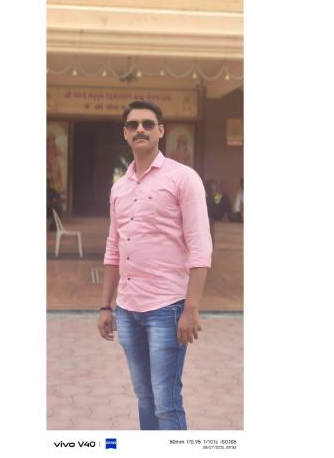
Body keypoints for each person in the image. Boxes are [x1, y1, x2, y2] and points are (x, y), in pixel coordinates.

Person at [97, 100, 212, 431]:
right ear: (125, 133)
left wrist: (191, 309)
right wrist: (106, 306)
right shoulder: (119, 188)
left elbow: (200, 247)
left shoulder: (183, 178)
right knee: (144, 397)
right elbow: (114, 247)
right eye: (133, 125)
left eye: (148, 124)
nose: (140, 129)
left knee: (166, 402)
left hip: (167, 308)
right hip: (127, 310)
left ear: (161, 131)